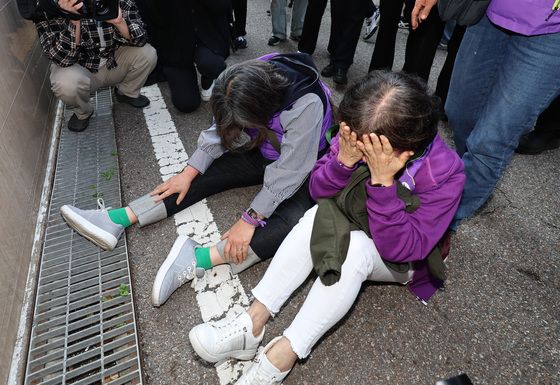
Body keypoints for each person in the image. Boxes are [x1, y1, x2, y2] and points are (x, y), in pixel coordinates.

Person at [188, 71, 465, 384]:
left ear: (406, 150)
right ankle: (251, 325)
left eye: (366, 148)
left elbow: (402, 250)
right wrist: (342, 162)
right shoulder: (361, 132)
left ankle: (282, 356)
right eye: (353, 138)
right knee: (313, 218)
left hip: (405, 258)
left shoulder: (445, 171)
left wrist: (384, 183)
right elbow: (318, 192)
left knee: (356, 250)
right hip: (354, 219)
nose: (356, 146)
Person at [59, 53, 334, 306]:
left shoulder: (305, 104)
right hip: (265, 148)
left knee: (293, 222)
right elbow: (220, 130)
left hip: (307, 163)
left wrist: (250, 219)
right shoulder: (242, 77)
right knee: (206, 173)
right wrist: (188, 173)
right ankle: (117, 219)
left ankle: (198, 258)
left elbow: (291, 171)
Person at [442, 0, 560, 229]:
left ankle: (440, 226)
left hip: (552, 32)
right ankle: (467, 181)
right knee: (458, 113)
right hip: (489, 12)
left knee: (490, 141)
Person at [35, 0, 157, 132]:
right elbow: (63, 60)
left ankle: (126, 92)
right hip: (79, 67)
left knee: (147, 54)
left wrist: (119, 23)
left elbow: (141, 40)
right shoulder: (48, 8)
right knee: (64, 83)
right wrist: (74, 20)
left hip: (113, 60)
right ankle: (82, 112)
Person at [135, 0, 232, 112]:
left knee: (211, 65)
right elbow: (151, 18)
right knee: (186, 104)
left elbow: (223, 6)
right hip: (176, 46)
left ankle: (208, 78)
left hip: (207, 39)